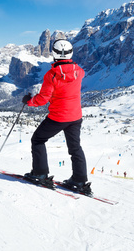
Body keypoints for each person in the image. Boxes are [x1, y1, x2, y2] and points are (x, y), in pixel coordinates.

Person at [22, 39, 90, 194]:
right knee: (75, 148)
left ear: (54, 54)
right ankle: (80, 181)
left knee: (38, 139)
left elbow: (42, 100)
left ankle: (40, 173)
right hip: (76, 117)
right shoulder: (79, 71)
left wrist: (28, 101)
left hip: (58, 117)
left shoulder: (51, 75)